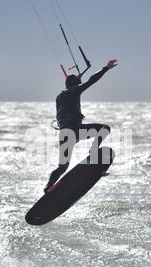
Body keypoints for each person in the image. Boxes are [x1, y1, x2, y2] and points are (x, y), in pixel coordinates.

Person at [44, 59, 118, 193]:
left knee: (62, 167)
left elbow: (72, 89)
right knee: (104, 129)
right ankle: (93, 152)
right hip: (75, 131)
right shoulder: (75, 91)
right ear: (76, 85)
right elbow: (91, 80)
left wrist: (75, 81)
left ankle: (48, 186)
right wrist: (105, 68)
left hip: (64, 134)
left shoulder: (59, 97)